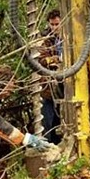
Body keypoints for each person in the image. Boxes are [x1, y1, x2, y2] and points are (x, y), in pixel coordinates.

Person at [39, 9, 64, 144]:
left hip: (66, 86)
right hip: (49, 87)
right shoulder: (44, 39)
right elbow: (40, 60)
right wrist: (57, 59)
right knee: (47, 120)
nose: (54, 27)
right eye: (52, 24)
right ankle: (47, 146)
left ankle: (59, 144)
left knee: (61, 119)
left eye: (57, 24)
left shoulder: (70, 37)